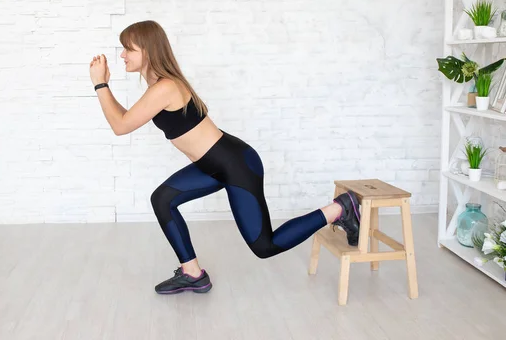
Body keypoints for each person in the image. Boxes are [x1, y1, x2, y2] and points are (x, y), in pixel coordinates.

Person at [89, 20, 361, 295]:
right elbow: (124, 120)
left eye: (128, 49)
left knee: (265, 246)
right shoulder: (159, 87)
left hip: (237, 165)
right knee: (163, 199)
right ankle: (192, 273)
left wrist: (100, 84)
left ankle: (340, 208)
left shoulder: (165, 88)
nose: (123, 55)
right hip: (213, 166)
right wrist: (103, 86)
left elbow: (120, 126)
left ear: (147, 50)